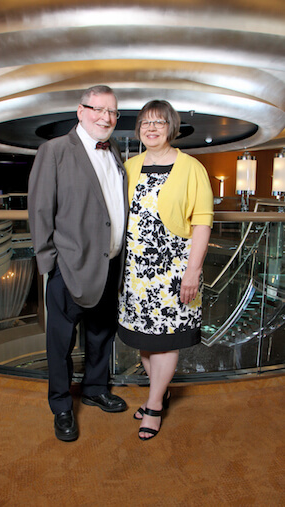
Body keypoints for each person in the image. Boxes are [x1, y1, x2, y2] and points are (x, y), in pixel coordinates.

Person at [28, 85, 128, 442]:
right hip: (67, 268)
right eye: (98, 109)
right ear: (80, 111)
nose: (106, 118)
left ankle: (95, 388)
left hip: (110, 263)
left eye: (113, 112)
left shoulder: (114, 150)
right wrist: (49, 267)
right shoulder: (53, 151)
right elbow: (40, 211)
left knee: (102, 332)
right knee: (60, 342)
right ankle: (61, 406)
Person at [118, 100, 213, 441]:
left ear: (171, 128)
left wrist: (193, 272)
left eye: (159, 122)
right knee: (144, 343)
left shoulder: (191, 168)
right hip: (135, 272)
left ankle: (155, 404)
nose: (152, 128)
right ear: (139, 129)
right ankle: (162, 391)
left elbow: (202, 222)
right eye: (146, 122)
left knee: (166, 340)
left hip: (174, 271)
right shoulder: (129, 167)